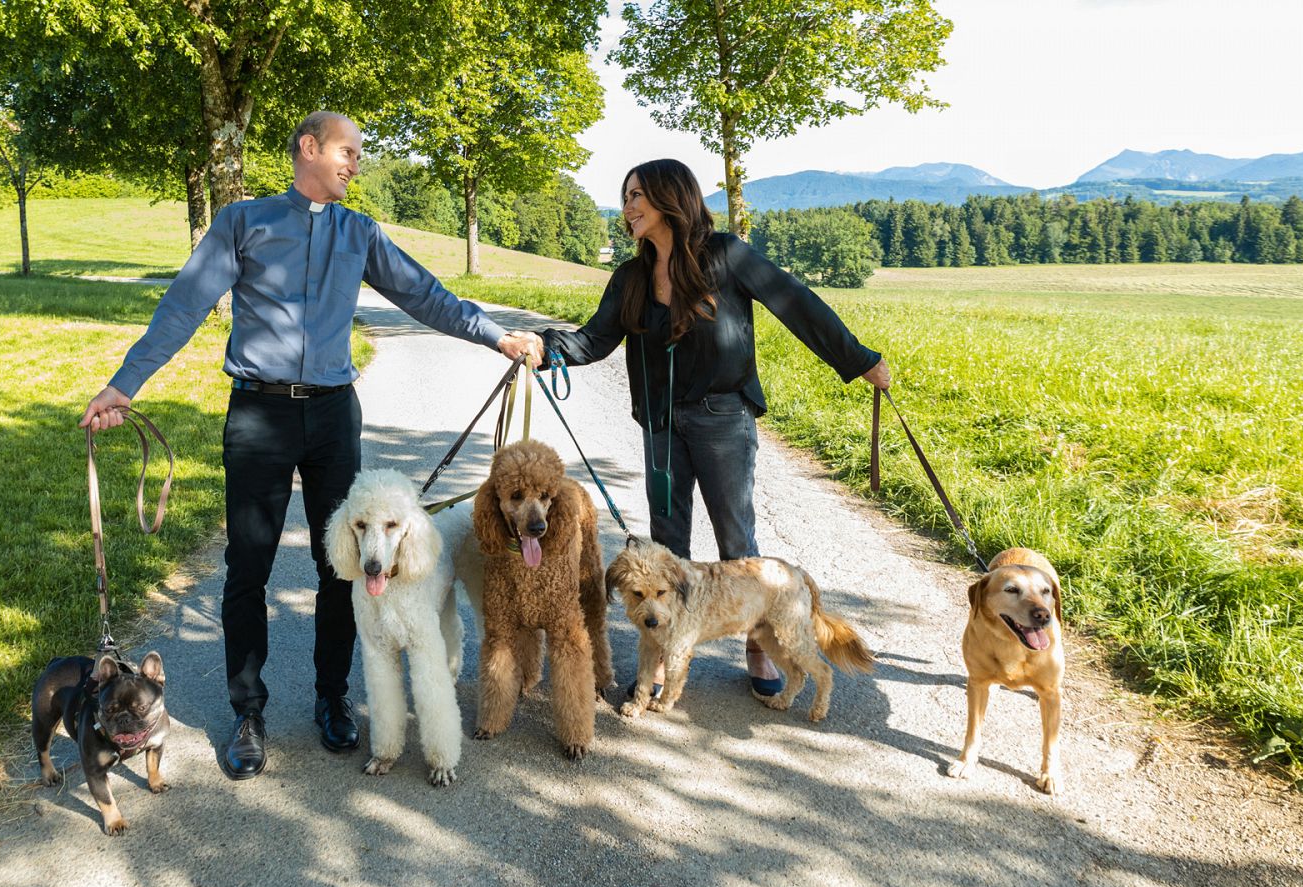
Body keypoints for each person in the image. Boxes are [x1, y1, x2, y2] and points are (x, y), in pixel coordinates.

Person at [79, 111, 543, 781]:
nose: (356, 163)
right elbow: (181, 306)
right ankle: (247, 712)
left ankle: (332, 698)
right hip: (258, 416)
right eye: (348, 151)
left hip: (332, 416)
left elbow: (423, 293)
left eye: (359, 153)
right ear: (309, 147)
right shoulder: (244, 223)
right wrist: (124, 385)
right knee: (248, 569)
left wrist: (497, 335)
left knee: (346, 566)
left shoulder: (361, 232)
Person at [539, 159, 890, 699]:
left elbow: (797, 304)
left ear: (670, 198)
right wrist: (542, 348)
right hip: (660, 424)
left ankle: (760, 641)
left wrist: (858, 359)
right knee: (664, 545)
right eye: (626, 196)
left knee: (735, 540)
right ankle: (657, 654)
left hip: (723, 415)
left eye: (637, 196)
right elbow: (592, 340)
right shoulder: (630, 278)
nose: (628, 207)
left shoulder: (725, 255)